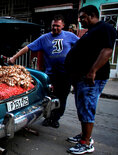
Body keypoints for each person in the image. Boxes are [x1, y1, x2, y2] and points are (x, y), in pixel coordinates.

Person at [9, 14, 79, 128]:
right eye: (53, 26)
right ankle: (48, 117)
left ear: (63, 26)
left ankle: (56, 118)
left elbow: (82, 47)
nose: (55, 28)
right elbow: (28, 47)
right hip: (50, 74)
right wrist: (14, 57)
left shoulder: (70, 36)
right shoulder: (44, 38)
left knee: (62, 98)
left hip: (66, 74)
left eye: (58, 26)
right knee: (49, 97)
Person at [65, 5, 116, 154]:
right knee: (82, 108)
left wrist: (93, 71)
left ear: (92, 15)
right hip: (81, 78)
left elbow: (107, 50)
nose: (80, 21)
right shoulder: (91, 32)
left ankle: (86, 143)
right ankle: (84, 135)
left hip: (92, 79)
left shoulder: (104, 28)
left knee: (87, 108)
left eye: (82, 17)